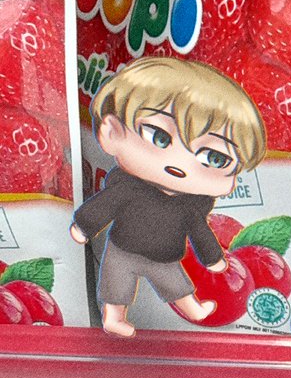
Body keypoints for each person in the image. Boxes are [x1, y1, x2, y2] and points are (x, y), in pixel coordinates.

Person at [70, 56, 266, 338]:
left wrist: (213, 258)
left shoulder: (190, 205)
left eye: (214, 157)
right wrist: (83, 227)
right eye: (160, 137)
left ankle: (194, 309)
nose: (180, 163)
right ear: (113, 132)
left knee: (176, 284)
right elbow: (104, 206)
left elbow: (200, 232)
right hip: (122, 249)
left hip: (165, 258)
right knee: (115, 284)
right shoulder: (127, 188)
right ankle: (114, 317)